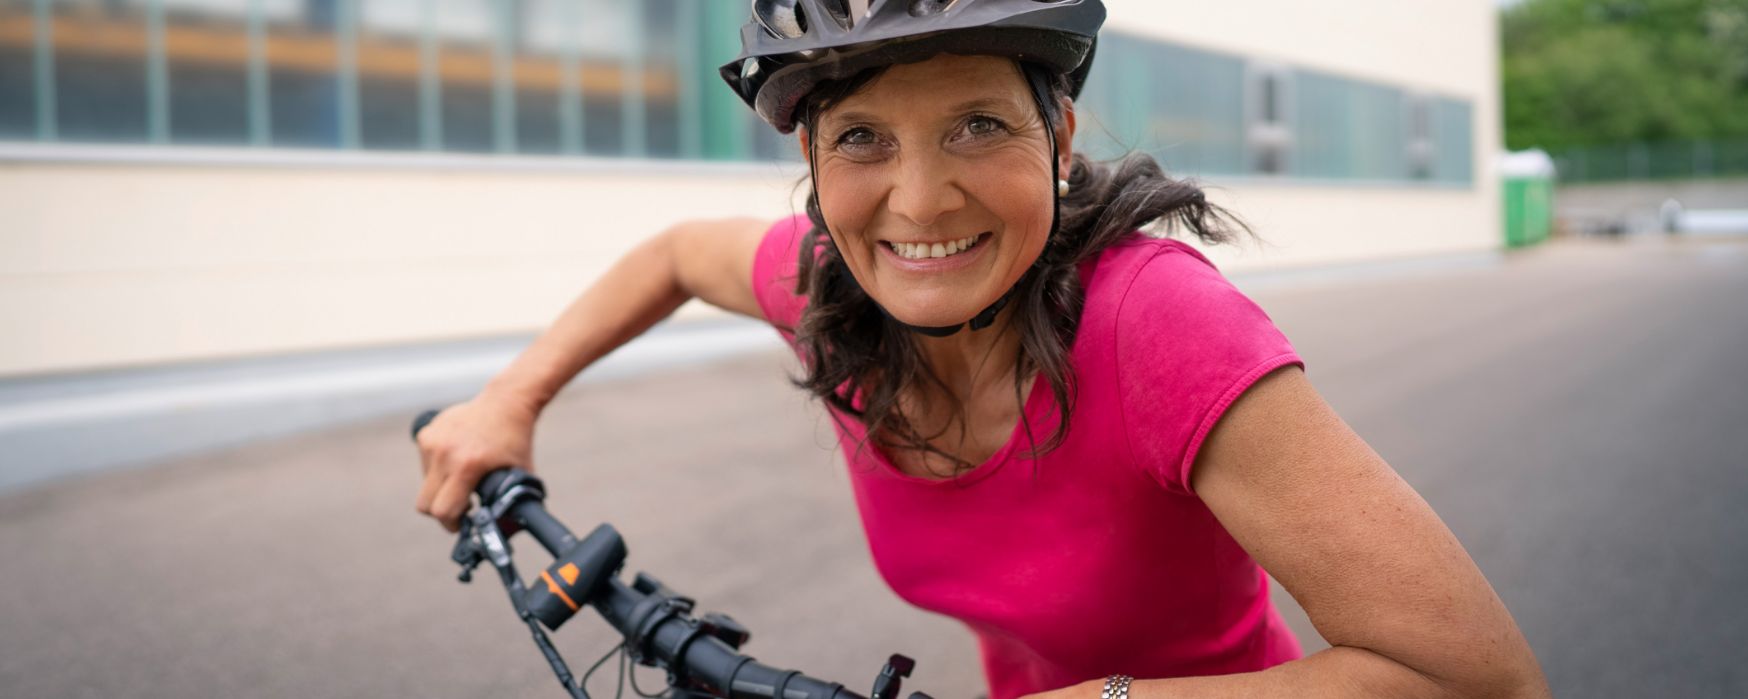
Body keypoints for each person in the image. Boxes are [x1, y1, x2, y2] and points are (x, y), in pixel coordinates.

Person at [414, 1, 1550, 697]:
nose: (916, 202)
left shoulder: (1153, 324)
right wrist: (509, 400)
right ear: (812, 161)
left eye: (975, 124)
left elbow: (1472, 681)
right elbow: (668, 253)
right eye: (860, 138)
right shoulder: (828, 283)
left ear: (1056, 134)